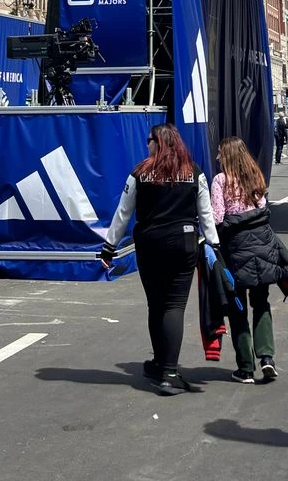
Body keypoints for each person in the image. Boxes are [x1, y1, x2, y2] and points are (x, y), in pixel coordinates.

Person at [99, 124, 219, 395]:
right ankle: (170, 373)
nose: (147, 145)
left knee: (156, 304)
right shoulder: (193, 171)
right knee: (174, 306)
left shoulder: (140, 172)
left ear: (158, 142)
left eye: (149, 141)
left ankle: (159, 363)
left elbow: (123, 212)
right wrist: (214, 245)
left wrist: (109, 247)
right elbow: (206, 213)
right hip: (184, 243)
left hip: (150, 243)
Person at [211, 137, 288, 384]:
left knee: (237, 307)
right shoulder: (255, 177)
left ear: (227, 156)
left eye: (220, 153)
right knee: (261, 302)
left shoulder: (221, 181)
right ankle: (267, 357)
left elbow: (217, 216)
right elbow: (262, 206)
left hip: (235, 250)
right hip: (262, 246)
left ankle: (246, 368)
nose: (217, 157)